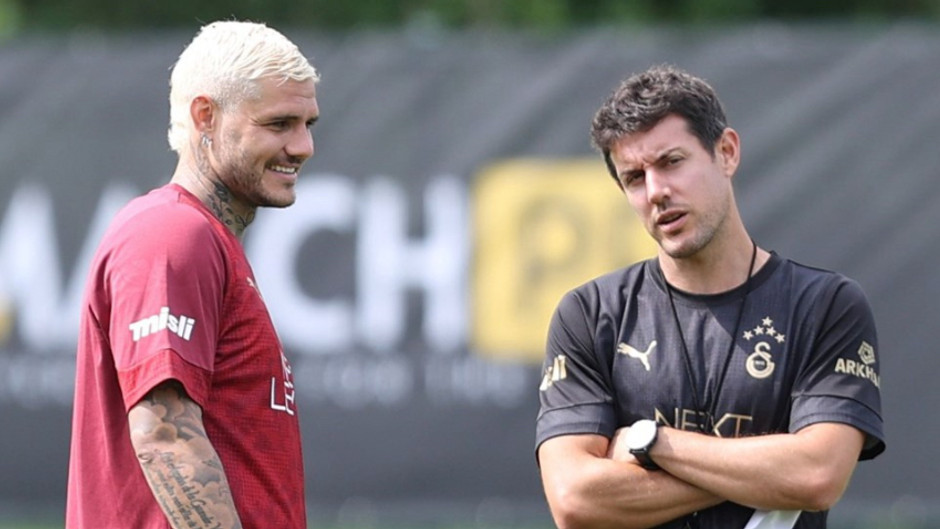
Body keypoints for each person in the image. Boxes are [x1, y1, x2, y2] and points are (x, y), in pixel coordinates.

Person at [535, 64, 884, 529]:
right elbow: (575, 501)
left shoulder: (825, 305)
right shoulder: (590, 314)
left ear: (726, 153)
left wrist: (649, 442)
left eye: (671, 162)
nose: (656, 191)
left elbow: (817, 476)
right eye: (635, 178)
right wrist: (767, 471)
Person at [65, 20, 320, 529]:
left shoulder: (205, 240)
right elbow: (164, 437)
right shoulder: (172, 232)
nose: (303, 146)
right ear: (206, 116)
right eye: (279, 124)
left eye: (308, 124)